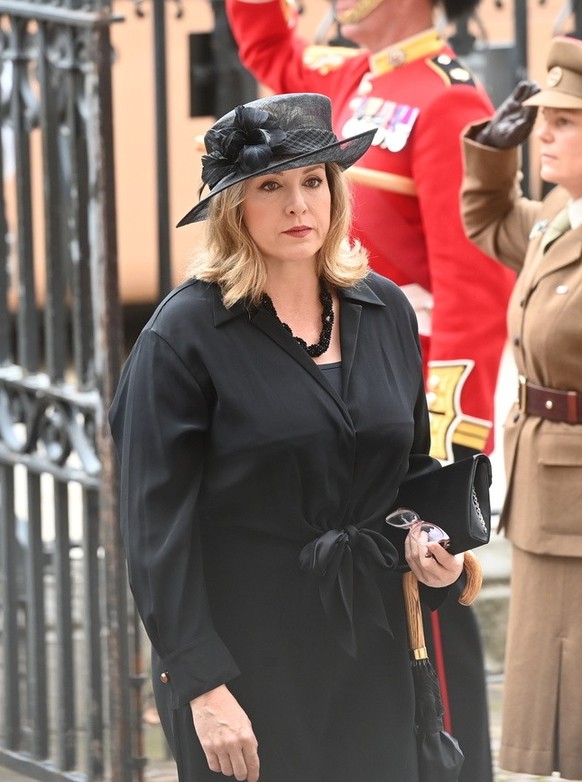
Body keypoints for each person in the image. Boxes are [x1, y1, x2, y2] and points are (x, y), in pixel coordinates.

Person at [109, 91, 467, 782]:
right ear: (233, 206)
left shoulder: (383, 307)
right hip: (245, 663)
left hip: (376, 648)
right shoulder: (182, 338)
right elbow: (156, 533)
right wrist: (202, 685)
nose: (298, 205)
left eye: (313, 182)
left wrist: (436, 545)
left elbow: (411, 467)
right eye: (270, 186)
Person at [225, 0, 517, 778]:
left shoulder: (447, 99)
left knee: (429, 659)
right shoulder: (355, 76)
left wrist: (446, 462)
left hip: (401, 411)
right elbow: (270, 48)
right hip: (336, 405)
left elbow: (472, 293)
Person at [460, 36, 582, 781]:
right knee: (558, 703)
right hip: (546, 493)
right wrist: (491, 152)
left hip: (576, 505)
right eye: (544, 118)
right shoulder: (559, 221)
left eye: (565, 122)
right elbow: (488, 220)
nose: (545, 132)